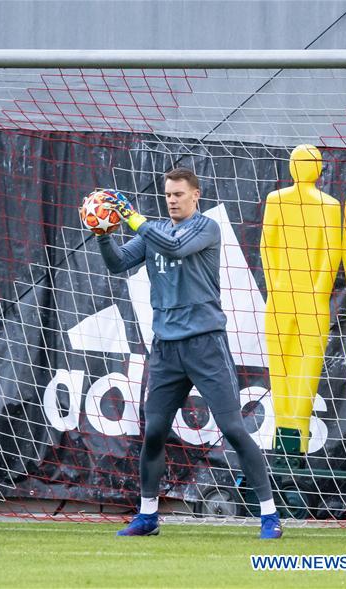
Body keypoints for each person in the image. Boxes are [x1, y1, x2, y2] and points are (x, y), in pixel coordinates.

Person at [91, 168, 282, 539]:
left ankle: (269, 516)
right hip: (166, 349)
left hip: (205, 345)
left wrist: (131, 216)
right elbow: (118, 263)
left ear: (196, 195)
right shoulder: (155, 231)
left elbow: (174, 247)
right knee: (154, 432)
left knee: (233, 429)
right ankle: (148, 516)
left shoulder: (206, 228)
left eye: (179, 194)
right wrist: (102, 234)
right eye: (168, 194)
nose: (172, 200)